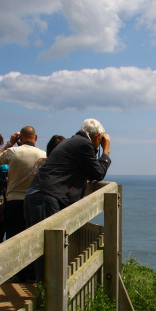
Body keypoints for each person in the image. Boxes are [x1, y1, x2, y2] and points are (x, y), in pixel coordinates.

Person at [25, 118, 111, 281]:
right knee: (52, 250)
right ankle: (51, 297)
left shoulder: (73, 142)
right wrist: (105, 151)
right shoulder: (83, 145)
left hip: (35, 195)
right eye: (100, 140)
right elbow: (98, 173)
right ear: (97, 136)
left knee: (40, 249)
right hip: (46, 197)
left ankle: (45, 292)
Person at [0, 126, 46, 282]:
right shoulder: (43, 154)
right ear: (35, 137)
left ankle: (17, 273)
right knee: (32, 237)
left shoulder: (13, 152)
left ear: (20, 138)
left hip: (14, 200)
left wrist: (9, 143)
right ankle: (32, 274)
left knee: (14, 237)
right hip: (34, 200)